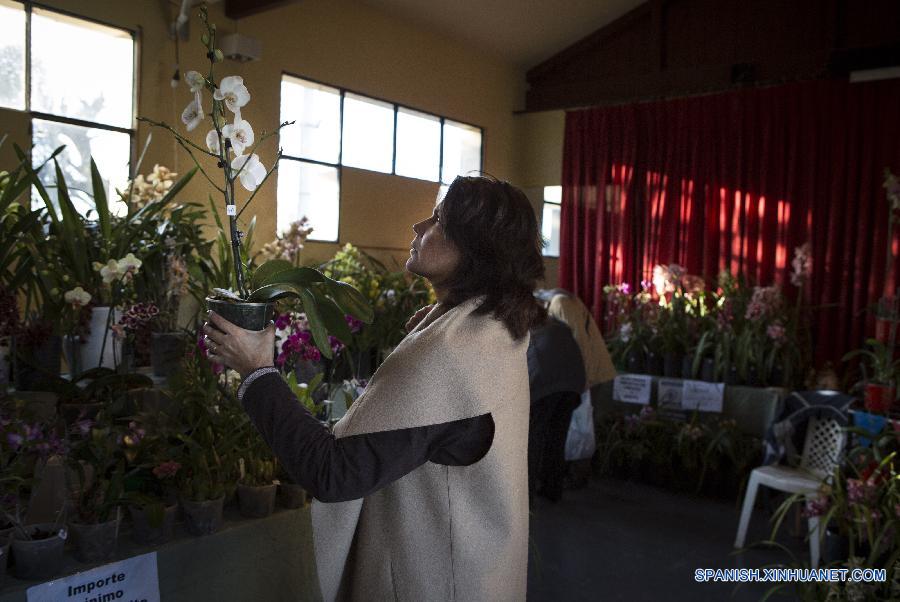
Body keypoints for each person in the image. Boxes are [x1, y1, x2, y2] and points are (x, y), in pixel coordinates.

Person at [204, 175, 546, 601]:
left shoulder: (452, 351)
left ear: (475, 248)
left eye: (438, 220)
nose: (418, 227)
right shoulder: (495, 327)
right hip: (479, 573)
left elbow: (333, 473)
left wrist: (257, 370)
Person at [526, 315, 585, 502]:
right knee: (557, 437)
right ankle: (552, 489)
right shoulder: (555, 324)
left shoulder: (522, 326)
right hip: (572, 382)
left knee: (533, 439)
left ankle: (526, 497)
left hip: (544, 384)